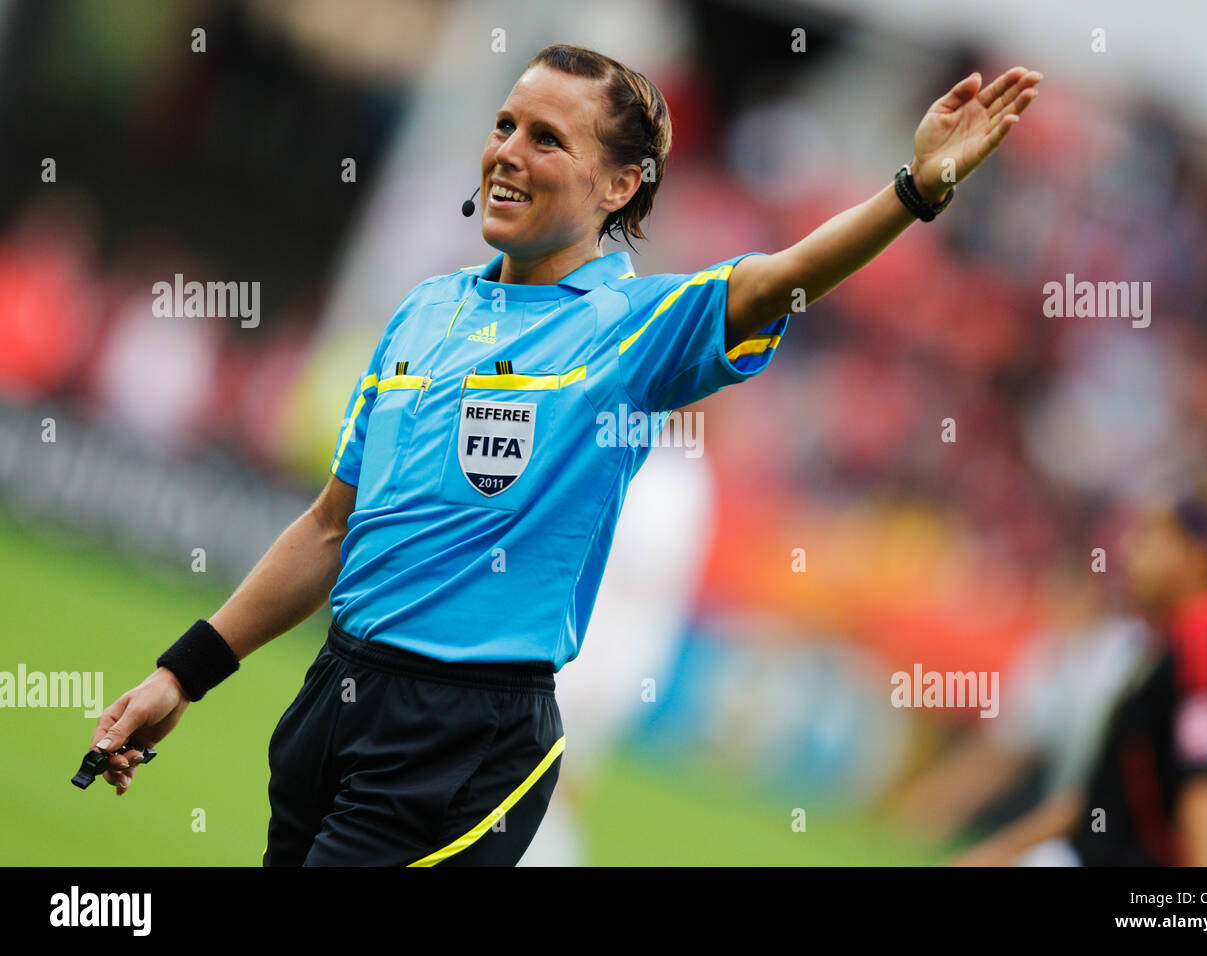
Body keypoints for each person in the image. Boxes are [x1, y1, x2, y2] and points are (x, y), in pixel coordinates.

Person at [85, 43, 1042, 866]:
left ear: (621, 185)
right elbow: (332, 524)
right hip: (333, 699)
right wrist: (182, 673)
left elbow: (781, 280)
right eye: (506, 124)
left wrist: (917, 188)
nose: (508, 151)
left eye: (548, 139)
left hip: (466, 740)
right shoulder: (429, 310)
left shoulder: (635, 325)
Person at [953, 496, 1207, 866]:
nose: (1130, 551)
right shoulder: (1164, 646)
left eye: (1152, 539)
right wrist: (993, 855)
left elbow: (1204, 786)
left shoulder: (1204, 649)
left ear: (1203, 556)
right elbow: (1100, 797)